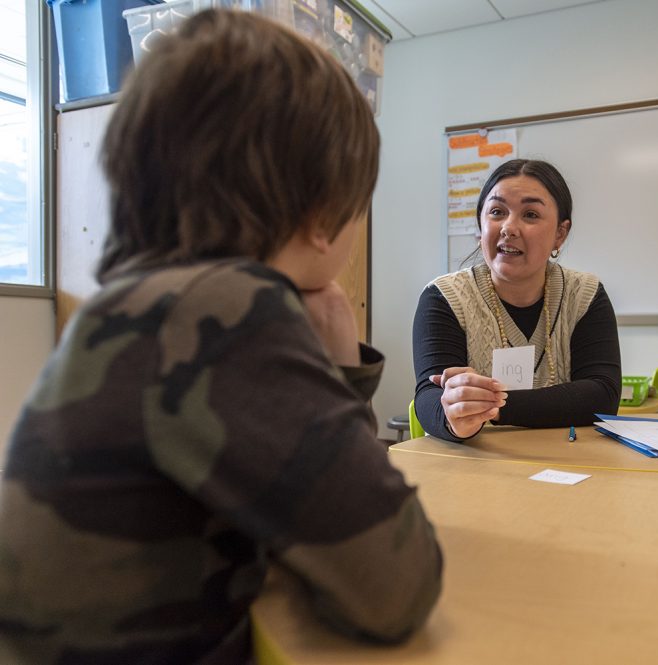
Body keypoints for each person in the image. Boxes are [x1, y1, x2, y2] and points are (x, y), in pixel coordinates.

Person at [0, 10, 441, 663]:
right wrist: (341, 359)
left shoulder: (139, 303)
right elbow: (393, 578)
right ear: (323, 215)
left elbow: (311, 505)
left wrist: (336, 356)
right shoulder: (222, 310)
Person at [413, 159, 621, 441]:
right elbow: (429, 398)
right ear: (480, 227)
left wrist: (492, 407)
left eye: (531, 214)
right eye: (497, 212)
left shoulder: (584, 294)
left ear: (560, 233)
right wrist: (455, 415)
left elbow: (602, 395)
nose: (509, 227)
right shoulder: (444, 297)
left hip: (568, 464)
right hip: (473, 466)